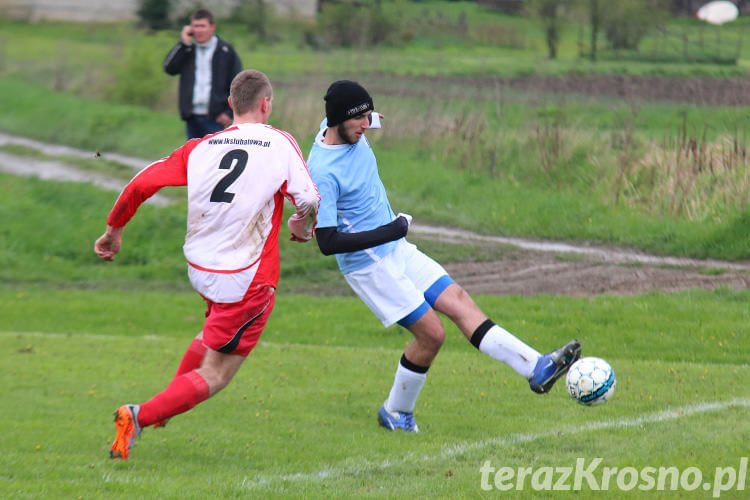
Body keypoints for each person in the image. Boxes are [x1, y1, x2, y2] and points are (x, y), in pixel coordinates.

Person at [306, 80, 581, 433]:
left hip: (396, 249)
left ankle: (537, 367)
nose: (367, 124)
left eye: (367, 116)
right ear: (340, 119)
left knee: (458, 300)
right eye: (359, 119)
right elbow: (327, 242)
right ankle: (395, 412)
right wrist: (394, 229)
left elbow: (352, 113)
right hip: (370, 266)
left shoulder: (343, 127)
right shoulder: (324, 171)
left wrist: (370, 115)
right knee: (432, 335)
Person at [95, 69, 319, 459]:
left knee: (209, 335)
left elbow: (141, 183)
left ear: (231, 104)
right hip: (249, 277)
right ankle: (139, 416)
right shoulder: (280, 143)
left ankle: (164, 407)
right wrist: (301, 227)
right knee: (217, 373)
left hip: (201, 269)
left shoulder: (201, 146)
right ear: (266, 104)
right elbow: (309, 198)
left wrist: (114, 229)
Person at [163, 8, 243, 139]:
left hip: (216, 118)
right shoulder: (188, 50)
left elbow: (238, 83)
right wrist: (184, 44)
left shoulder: (225, 51)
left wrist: (229, 113)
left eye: (202, 26)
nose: (199, 30)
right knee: (194, 156)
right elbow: (169, 68)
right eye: (195, 26)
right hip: (192, 116)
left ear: (212, 27)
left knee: (214, 157)